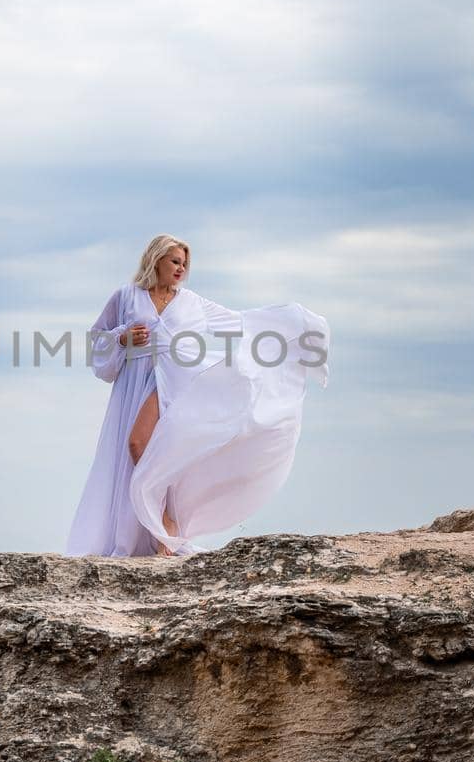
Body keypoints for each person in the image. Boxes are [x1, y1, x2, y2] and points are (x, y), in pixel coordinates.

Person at [63, 235, 330, 558]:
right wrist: (122, 338)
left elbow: (240, 322)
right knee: (138, 449)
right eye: (175, 261)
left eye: (185, 263)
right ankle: (159, 533)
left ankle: (165, 528)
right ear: (156, 260)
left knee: (145, 446)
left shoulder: (193, 303)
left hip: (175, 383)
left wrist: (295, 326)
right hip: (134, 382)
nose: (181, 268)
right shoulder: (126, 297)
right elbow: (98, 339)